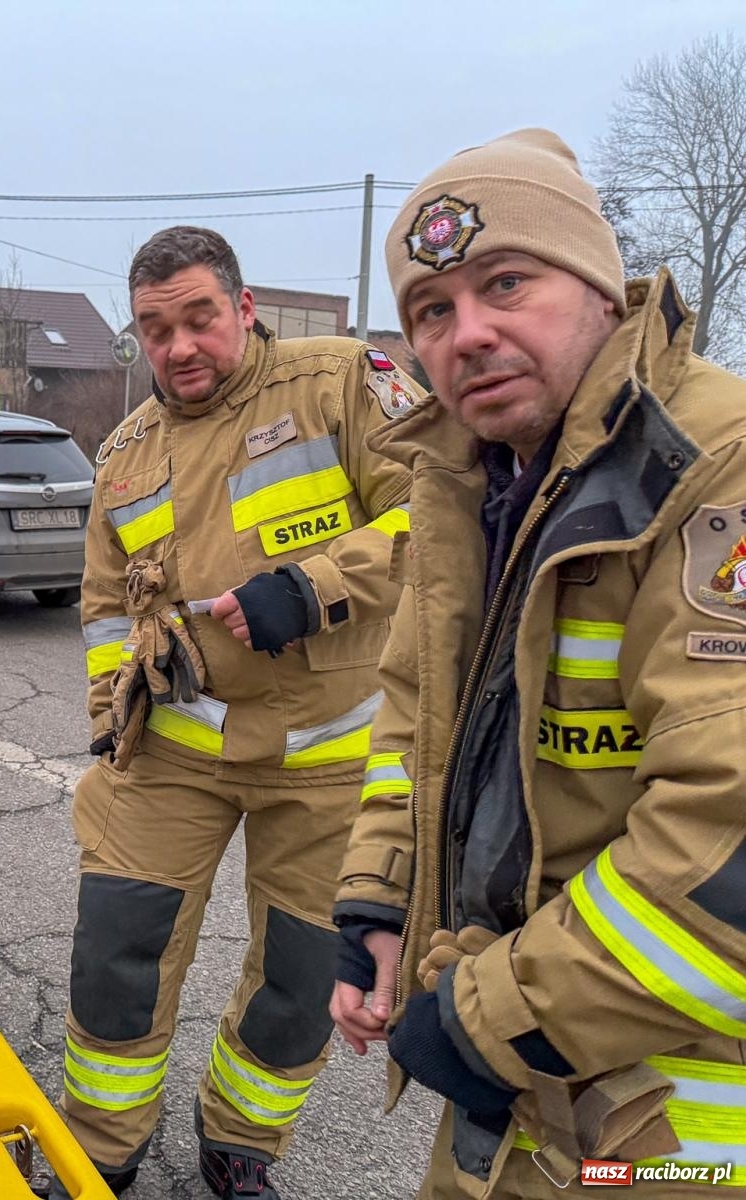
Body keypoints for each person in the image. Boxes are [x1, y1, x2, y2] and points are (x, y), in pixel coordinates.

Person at [330, 128, 746, 1198]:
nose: (467, 334)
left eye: (505, 282)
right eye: (432, 310)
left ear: (603, 290)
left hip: (677, 1133)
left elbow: (725, 854)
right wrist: (381, 905)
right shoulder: (475, 482)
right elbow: (417, 719)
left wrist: (481, 1022)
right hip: (522, 1091)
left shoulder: (715, 471)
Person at [55, 225, 421, 1198]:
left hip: (331, 758)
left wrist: (310, 588)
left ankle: (240, 1146)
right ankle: (102, 1146)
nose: (177, 347)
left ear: (244, 307)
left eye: (199, 318)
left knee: (302, 979)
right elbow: (101, 605)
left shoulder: (339, 381)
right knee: (116, 949)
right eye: (154, 328)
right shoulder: (125, 453)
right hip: (172, 750)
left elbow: (440, 508)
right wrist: (109, 705)